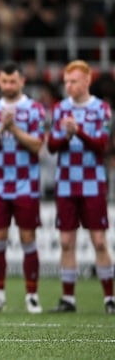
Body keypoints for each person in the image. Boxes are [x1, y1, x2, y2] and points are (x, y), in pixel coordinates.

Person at [0, 62, 46, 314]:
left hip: (26, 186)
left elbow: (37, 146)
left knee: (28, 240)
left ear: (22, 81)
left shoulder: (34, 110)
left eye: (13, 81)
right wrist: (1, 129)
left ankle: (32, 296)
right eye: (5, 81)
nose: (9, 85)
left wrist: (13, 128)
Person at [46, 60, 114, 314]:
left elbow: (101, 146)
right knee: (66, 241)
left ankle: (109, 298)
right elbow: (52, 147)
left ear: (86, 81)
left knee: (98, 241)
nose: (69, 86)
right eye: (66, 82)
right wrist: (64, 135)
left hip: (92, 183)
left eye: (73, 81)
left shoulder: (101, 109)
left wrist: (78, 132)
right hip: (65, 183)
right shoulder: (60, 109)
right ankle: (68, 299)